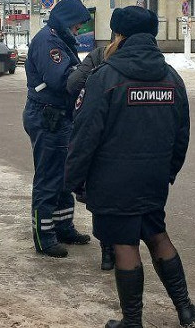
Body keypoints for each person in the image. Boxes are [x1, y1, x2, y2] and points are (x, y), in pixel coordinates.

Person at [65, 6, 195, 328]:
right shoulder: (172, 79)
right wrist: (167, 172)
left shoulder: (105, 78)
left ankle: (133, 322)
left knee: (124, 244)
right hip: (153, 179)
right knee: (157, 236)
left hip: (112, 182)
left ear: (118, 36)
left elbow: (84, 135)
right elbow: (181, 135)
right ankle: (185, 308)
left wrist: (73, 180)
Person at [22, 0, 92, 258]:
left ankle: (63, 226)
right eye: (76, 25)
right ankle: (44, 235)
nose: (78, 30)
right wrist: (89, 67)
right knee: (49, 177)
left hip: (60, 116)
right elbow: (63, 79)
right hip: (46, 116)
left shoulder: (60, 39)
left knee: (65, 176)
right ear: (66, 21)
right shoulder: (48, 42)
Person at [66, 43, 115, 271]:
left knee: (103, 195)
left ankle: (108, 252)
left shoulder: (100, 55)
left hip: (104, 139)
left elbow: (73, 83)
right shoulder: (154, 60)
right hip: (139, 141)